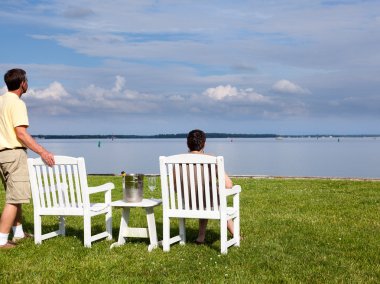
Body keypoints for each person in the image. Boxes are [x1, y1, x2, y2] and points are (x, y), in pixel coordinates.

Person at [0, 68, 55, 249]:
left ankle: (18, 232)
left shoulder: (1, 101)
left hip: (2, 155)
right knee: (14, 199)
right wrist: (43, 152)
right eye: (27, 80)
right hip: (14, 153)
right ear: (23, 83)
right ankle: (1, 240)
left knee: (15, 194)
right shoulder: (17, 103)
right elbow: (21, 134)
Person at [186, 129, 235, 244]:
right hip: (208, 202)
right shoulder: (211, 160)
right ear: (204, 143)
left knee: (208, 196)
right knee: (214, 198)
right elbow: (228, 184)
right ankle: (235, 234)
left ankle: (200, 237)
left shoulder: (176, 160)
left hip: (187, 204)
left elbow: (174, 187)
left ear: (187, 143)